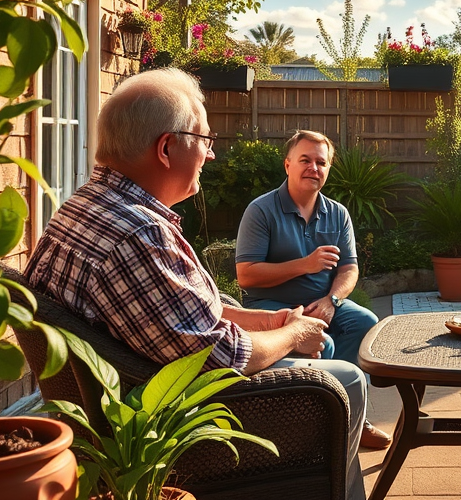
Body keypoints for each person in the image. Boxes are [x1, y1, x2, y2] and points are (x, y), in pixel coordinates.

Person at [25, 69, 368, 500]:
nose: (210, 155)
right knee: (347, 382)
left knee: (355, 328)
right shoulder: (138, 234)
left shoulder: (87, 207)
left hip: (129, 400)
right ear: (167, 149)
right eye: (205, 141)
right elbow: (224, 356)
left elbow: (168, 307)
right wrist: (293, 331)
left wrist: (253, 318)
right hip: (166, 432)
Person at [235, 129, 392, 450]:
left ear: (328, 169)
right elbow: (246, 277)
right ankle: (316, 429)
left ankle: (352, 418)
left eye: (321, 162)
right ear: (287, 165)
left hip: (321, 302)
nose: (313, 168)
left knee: (364, 322)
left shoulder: (337, 213)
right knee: (325, 344)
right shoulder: (261, 211)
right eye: (305, 160)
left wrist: (332, 300)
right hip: (271, 307)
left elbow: (349, 268)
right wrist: (304, 265)